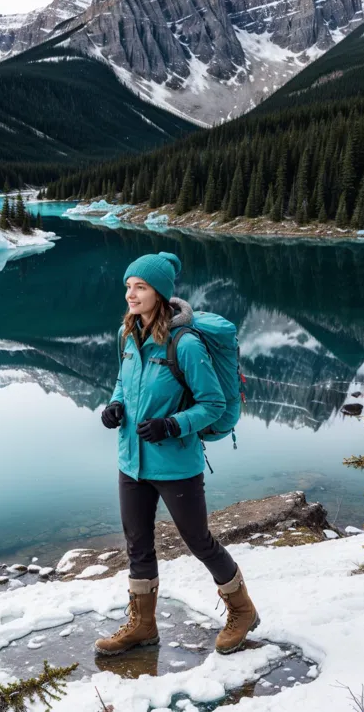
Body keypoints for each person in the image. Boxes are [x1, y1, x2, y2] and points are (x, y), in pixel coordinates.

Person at [96, 252, 259, 657]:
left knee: (198, 540)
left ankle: (242, 611)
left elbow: (213, 404)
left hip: (175, 464)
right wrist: (114, 405)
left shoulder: (184, 344)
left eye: (141, 287)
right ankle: (143, 625)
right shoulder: (127, 334)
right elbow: (123, 381)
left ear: (161, 294)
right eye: (129, 286)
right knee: (137, 544)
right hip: (131, 461)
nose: (131, 294)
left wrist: (172, 425)